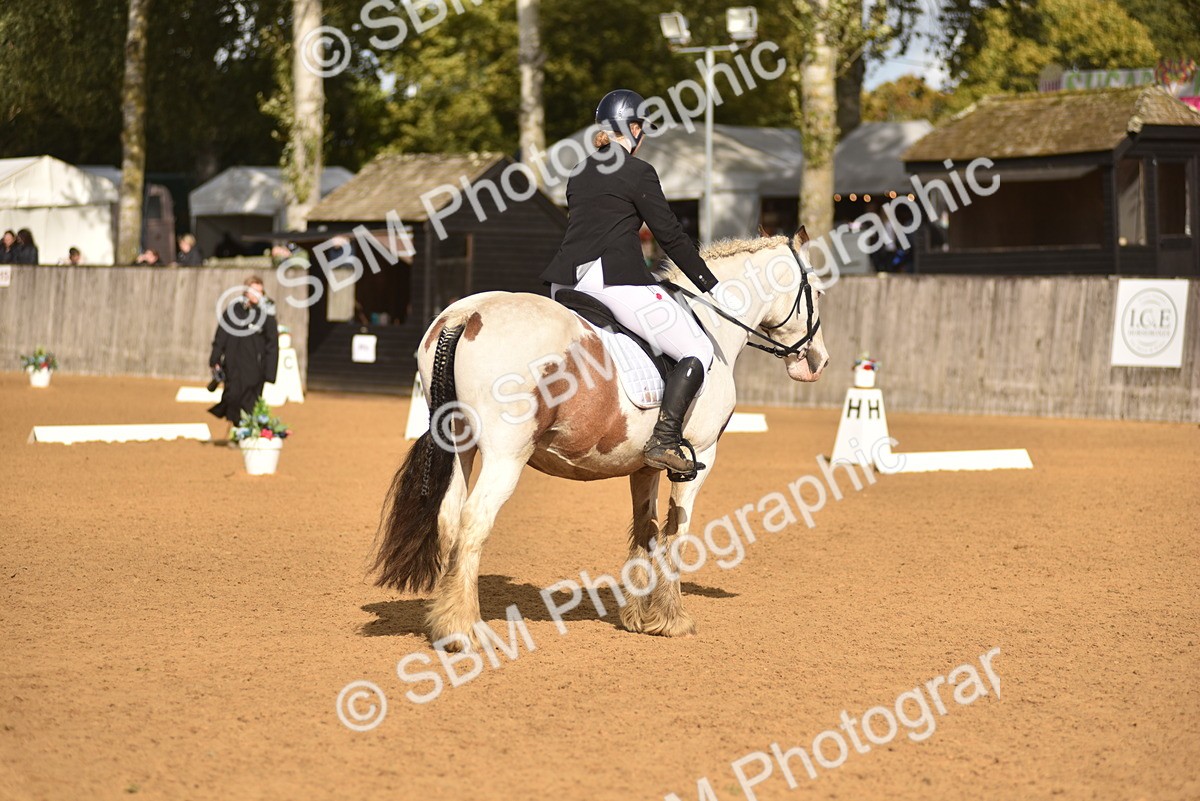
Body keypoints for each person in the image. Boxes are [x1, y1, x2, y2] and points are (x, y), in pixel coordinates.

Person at [541, 89, 720, 476]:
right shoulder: (638, 172)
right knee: (695, 349)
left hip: (564, 284)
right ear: (634, 129)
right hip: (613, 282)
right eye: (643, 130)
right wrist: (709, 283)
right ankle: (664, 440)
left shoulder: (580, 170)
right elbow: (669, 235)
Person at [208, 276, 279, 430]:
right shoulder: (233, 311)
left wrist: (270, 373)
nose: (256, 295)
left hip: (255, 368)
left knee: (250, 401)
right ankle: (236, 426)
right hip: (232, 364)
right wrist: (215, 359)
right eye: (254, 291)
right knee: (232, 396)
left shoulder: (266, 316)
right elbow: (221, 336)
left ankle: (244, 432)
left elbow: (272, 345)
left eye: (260, 292)